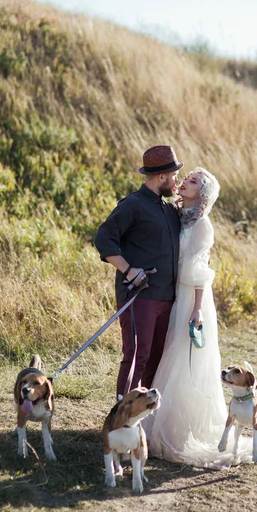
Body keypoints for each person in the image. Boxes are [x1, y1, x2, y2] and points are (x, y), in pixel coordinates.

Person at [145, 167, 257, 468]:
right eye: (187, 178)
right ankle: (165, 422)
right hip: (175, 294)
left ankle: (183, 428)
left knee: (186, 359)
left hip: (192, 298)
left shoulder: (202, 225)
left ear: (204, 194)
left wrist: (196, 309)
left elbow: (199, 272)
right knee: (171, 356)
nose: (185, 182)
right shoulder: (181, 216)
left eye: (193, 181)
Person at [94, 145, 183, 398]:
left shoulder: (170, 210)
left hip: (168, 297)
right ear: (162, 177)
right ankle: (122, 416)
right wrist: (128, 270)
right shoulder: (132, 205)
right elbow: (104, 239)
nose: (176, 180)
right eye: (174, 175)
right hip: (138, 295)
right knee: (136, 355)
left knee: (156, 358)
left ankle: (143, 418)